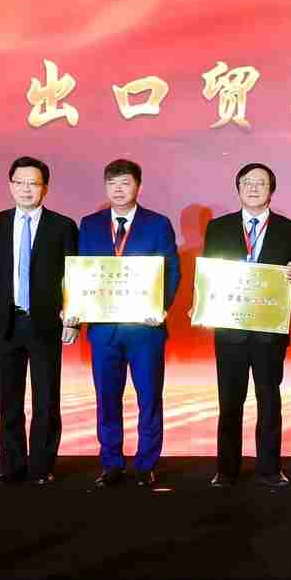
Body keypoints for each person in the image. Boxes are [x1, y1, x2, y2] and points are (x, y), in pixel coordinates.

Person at [197, 163, 291, 488]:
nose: (254, 188)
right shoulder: (218, 227)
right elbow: (209, 276)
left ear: (272, 190)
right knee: (229, 402)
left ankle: (270, 469)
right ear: (238, 188)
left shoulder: (290, 229)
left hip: (269, 333)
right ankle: (226, 470)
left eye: (261, 183)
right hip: (229, 331)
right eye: (247, 182)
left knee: (269, 401)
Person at [74, 159, 181, 488]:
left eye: (125, 183)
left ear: (138, 186)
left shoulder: (157, 224)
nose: (118, 190)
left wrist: (160, 308)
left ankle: (146, 464)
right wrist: (75, 307)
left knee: (149, 398)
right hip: (104, 329)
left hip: (145, 329)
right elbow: (80, 271)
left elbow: (171, 271)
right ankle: (111, 463)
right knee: (106, 398)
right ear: (105, 187)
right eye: (112, 184)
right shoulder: (89, 224)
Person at [0, 156, 78, 485]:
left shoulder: (63, 226)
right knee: (8, 400)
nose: (26, 189)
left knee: (46, 399)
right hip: (5, 322)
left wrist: (73, 319)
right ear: (10, 185)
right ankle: (12, 466)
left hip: (45, 323)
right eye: (20, 182)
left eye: (33, 183)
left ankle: (42, 467)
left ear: (45, 188)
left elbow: (73, 277)